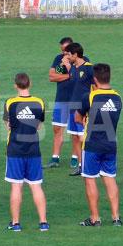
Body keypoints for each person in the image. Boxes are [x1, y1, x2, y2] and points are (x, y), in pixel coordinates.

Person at [75, 63, 122, 227]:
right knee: (110, 179)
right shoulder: (117, 97)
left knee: (90, 180)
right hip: (110, 144)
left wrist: (85, 124)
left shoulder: (90, 97)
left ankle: (95, 218)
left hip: (92, 145)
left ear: (95, 79)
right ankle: (116, 217)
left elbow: (77, 118)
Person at [3, 73, 48, 232]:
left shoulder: (10, 102)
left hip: (15, 150)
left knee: (16, 186)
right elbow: (38, 125)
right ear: (30, 83)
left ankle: (15, 223)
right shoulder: (39, 102)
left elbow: (8, 126)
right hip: (33, 150)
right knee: (36, 186)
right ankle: (43, 222)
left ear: (15, 85)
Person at [47, 37, 80, 169]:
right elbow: (52, 76)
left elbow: (79, 76)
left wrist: (69, 71)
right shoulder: (58, 59)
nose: (64, 54)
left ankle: (75, 157)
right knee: (57, 128)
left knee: (74, 131)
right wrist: (69, 76)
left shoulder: (83, 60)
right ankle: (55, 158)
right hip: (61, 99)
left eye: (66, 51)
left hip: (76, 101)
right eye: (62, 51)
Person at [65, 42, 94, 176]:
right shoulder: (72, 69)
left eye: (69, 55)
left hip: (84, 110)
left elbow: (96, 88)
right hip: (72, 108)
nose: (67, 57)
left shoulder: (89, 68)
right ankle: (81, 166)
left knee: (84, 137)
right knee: (75, 137)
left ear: (76, 54)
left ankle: (90, 165)